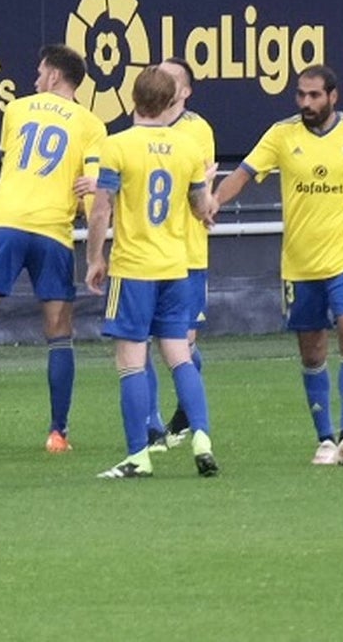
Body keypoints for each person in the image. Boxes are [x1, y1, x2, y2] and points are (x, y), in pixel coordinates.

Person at [0, 44, 107, 453]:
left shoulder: (17, 110)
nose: (34, 79)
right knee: (59, 332)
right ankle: (57, 433)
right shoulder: (92, 125)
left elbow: (14, 161)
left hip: (4, 222)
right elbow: (94, 196)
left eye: (38, 72)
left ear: (52, 76)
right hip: (53, 230)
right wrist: (95, 252)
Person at [210, 64, 343, 466]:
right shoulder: (281, 134)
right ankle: (325, 439)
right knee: (311, 350)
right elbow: (242, 174)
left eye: (314, 96)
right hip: (300, 264)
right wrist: (214, 203)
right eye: (301, 95)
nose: (306, 102)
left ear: (332, 96)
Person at [86, 65, 219, 479]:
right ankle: (201, 437)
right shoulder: (187, 149)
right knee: (179, 353)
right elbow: (202, 210)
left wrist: (94, 258)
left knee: (130, 360)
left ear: (133, 99)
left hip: (134, 267)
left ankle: (137, 456)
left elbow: (102, 208)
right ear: (171, 101)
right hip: (176, 266)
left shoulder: (118, 145)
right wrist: (208, 195)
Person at [145, 57, 217, 451]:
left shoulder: (196, 129)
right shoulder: (141, 129)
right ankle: (154, 426)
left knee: (180, 343)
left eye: (171, 78)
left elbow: (195, 186)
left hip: (187, 252)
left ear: (185, 91)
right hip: (149, 251)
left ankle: (188, 416)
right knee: (148, 341)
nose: (162, 82)